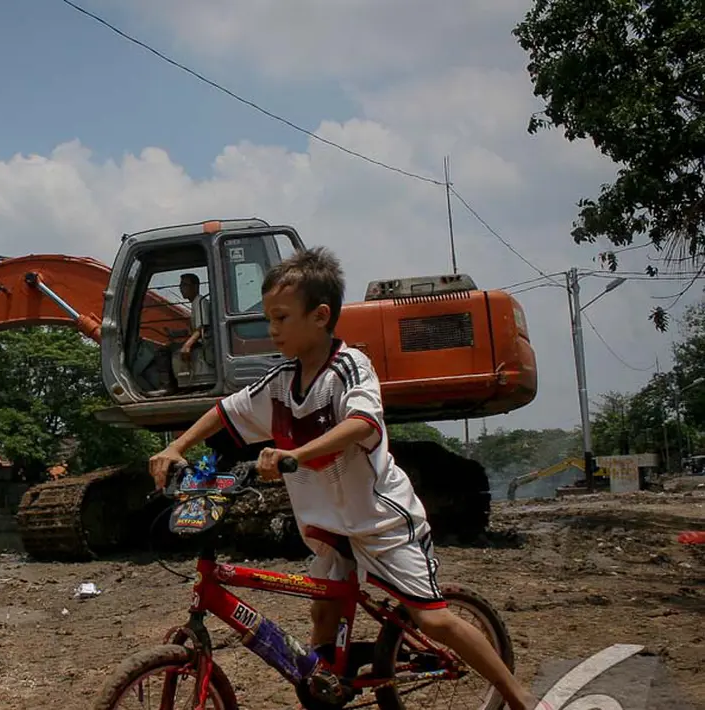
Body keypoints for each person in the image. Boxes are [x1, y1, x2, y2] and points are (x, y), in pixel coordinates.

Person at [148, 247, 544, 710]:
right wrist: (176, 447)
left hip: (379, 519)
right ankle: (327, 691)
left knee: (432, 620)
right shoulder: (279, 383)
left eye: (280, 317)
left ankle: (521, 699)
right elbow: (225, 411)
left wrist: (295, 454)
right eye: (268, 317)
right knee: (323, 612)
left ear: (319, 316)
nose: (271, 328)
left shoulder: (351, 367)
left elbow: (363, 425)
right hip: (326, 525)